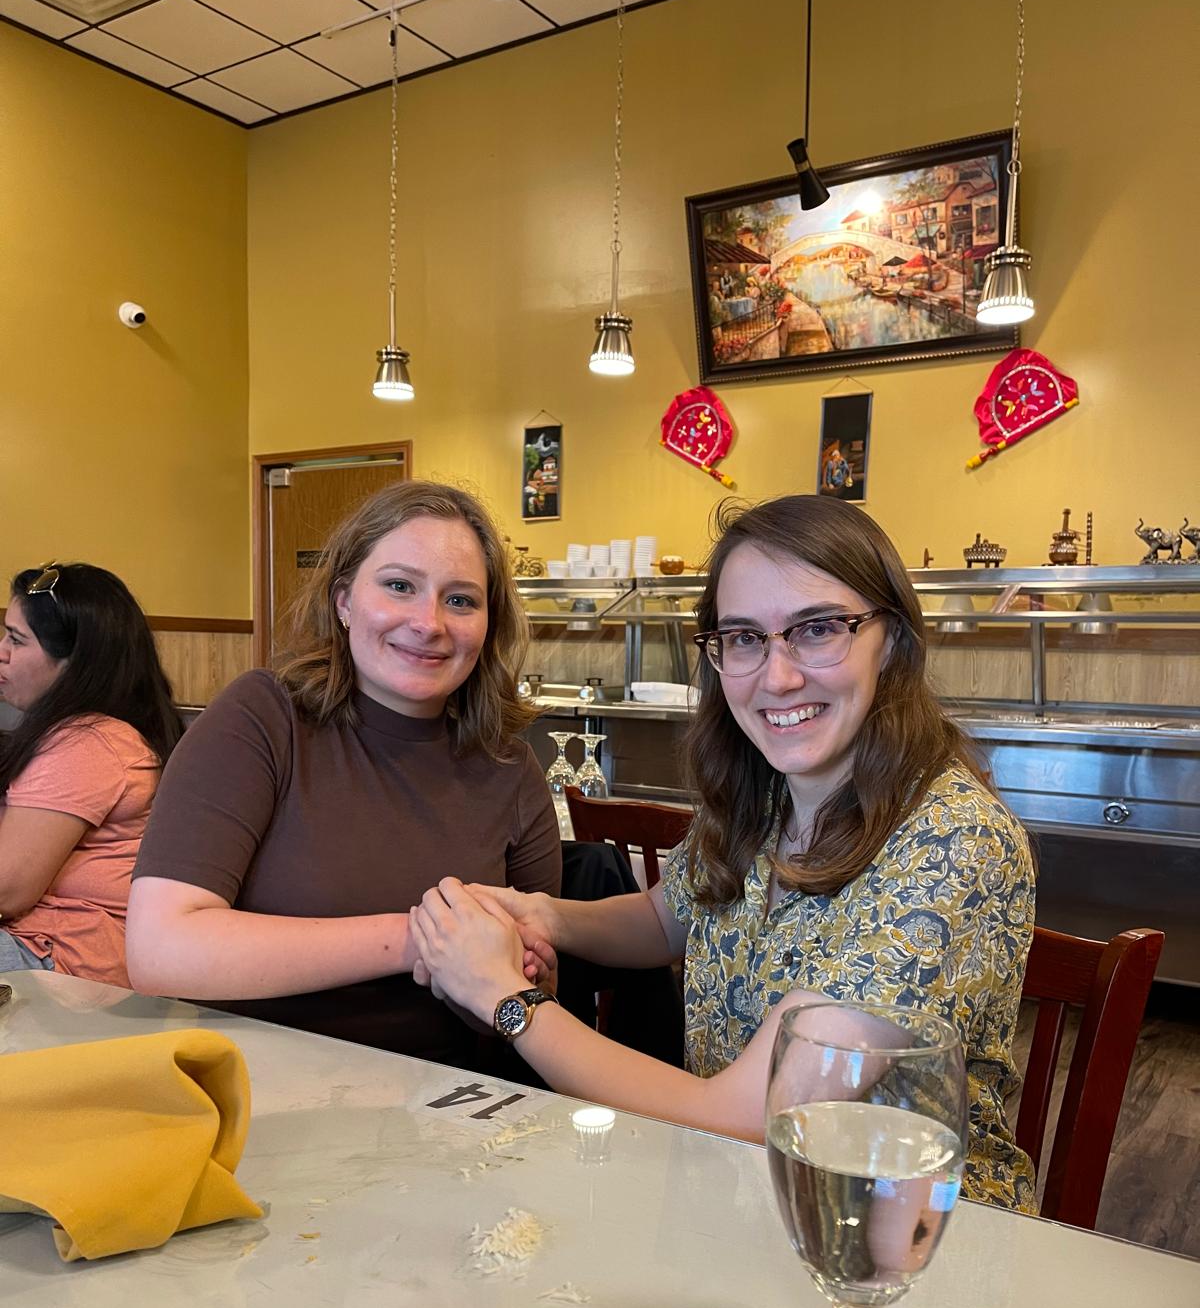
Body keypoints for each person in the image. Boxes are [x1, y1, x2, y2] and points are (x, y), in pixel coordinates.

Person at [409, 495, 1038, 1212]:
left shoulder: (954, 840)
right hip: (732, 1206)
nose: (777, 677)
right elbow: (664, 919)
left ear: (892, 638)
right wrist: (541, 916)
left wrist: (506, 999)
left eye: (818, 629)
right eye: (743, 638)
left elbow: (741, 1119)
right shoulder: (764, 796)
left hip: (899, 1240)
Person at [126, 482, 560, 1071]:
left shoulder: (509, 766)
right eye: (399, 586)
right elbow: (160, 952)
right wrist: (420, 939)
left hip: (449, 1102)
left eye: (460, 600)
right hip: (256, 1091)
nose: (428, 622)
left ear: (488, 627)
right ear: (344, 601)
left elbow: (528, 997)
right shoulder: (263, 719)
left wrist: (518, 979)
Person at [0, 562, 183, 985]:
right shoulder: (98, 733)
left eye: (17, 639)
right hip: (44, 944)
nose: (2, 651)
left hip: (60, 959)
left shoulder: (88, 742)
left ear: (74, 663)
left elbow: (7, 890)